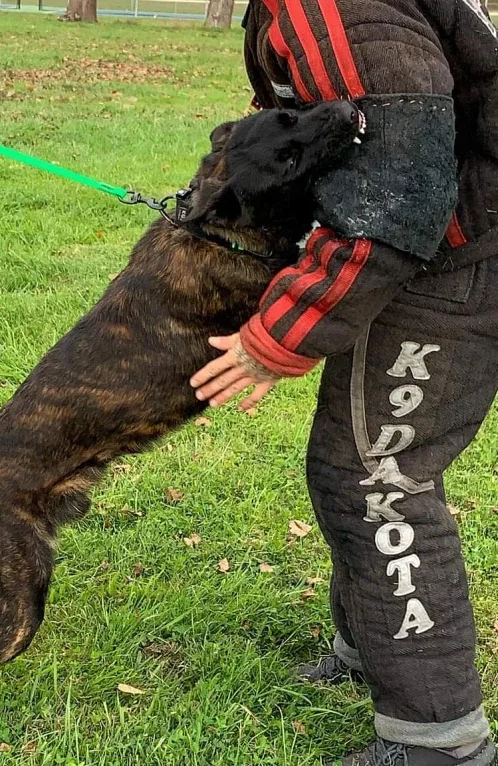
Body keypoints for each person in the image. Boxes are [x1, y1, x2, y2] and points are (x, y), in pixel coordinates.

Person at [190, 1, 498, 764]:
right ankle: (371, 646)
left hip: (456, 253)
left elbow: (399, 195)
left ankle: (440, 741)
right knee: (347, 464)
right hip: (449, 240)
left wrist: (276, 339)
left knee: (379, 480)